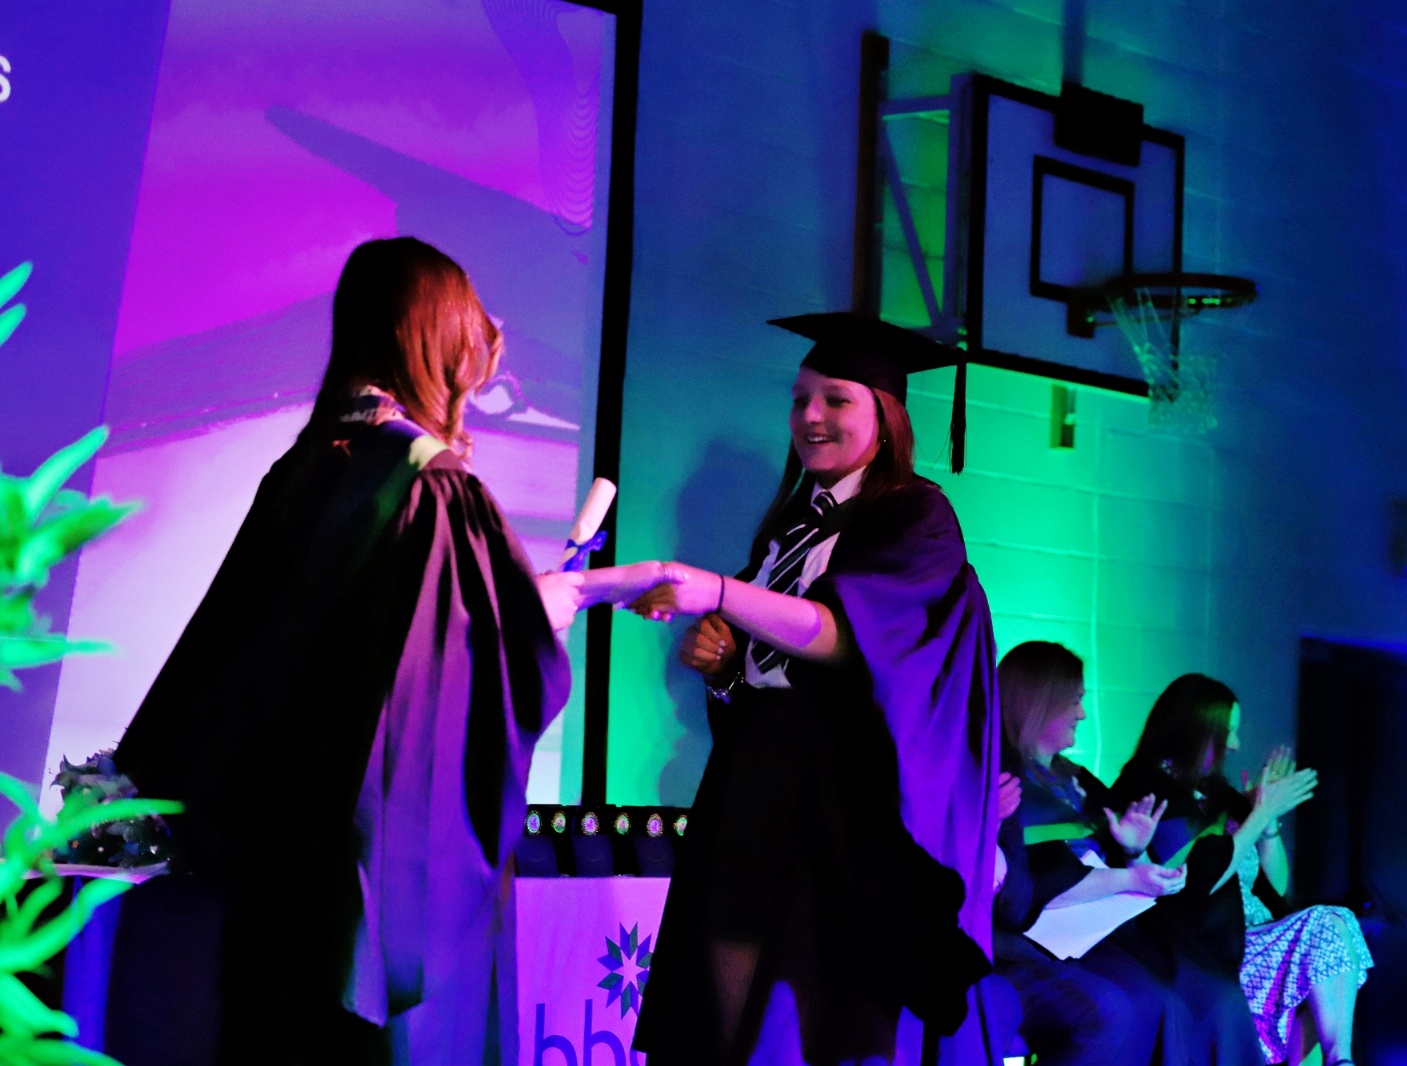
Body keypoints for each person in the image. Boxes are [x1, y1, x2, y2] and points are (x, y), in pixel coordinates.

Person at [110, 237, 663, 1065]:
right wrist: (547, 610)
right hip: (356, 864)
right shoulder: (431, 483)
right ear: (434, 339)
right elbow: (444, 683)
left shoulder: (309, 462)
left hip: (267, 854)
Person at [629, 312, 1002, 1065]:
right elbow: (768, 669)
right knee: (728, 1000)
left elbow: (843, 636)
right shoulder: (790, 527)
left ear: (886, 417)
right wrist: (725, 670)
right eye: (800, 399)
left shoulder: (917, 517)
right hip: (757, 780)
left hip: (846, 796)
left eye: (836, 399)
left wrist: (718, 592)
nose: (810, 416)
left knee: (818, 1011)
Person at [1111, 675, 1372, 1066]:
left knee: (1334, 929)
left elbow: (1274, 887)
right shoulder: (1148, 787)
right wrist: (1260, 813)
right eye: (1226, 733)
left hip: (1257, 933)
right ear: (1195, 731)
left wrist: (1267, 823)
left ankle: (1340, 1059)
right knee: (1328, 925)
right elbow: (1199, 879)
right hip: (1206, 948)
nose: (1234, 745)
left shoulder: (1217, 793)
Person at [990, 641, 1191, 1066]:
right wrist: (1133, 876)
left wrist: (1134, 851)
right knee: (1132, 1002)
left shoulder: (1077, 779)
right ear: (1039, 702)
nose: (1082, 713)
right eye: (1074, 700)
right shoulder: (1004, 782)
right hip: (1040, 941)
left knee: (1170, 995)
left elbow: (1126, 864)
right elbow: (1042, 882)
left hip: (1106, 933)